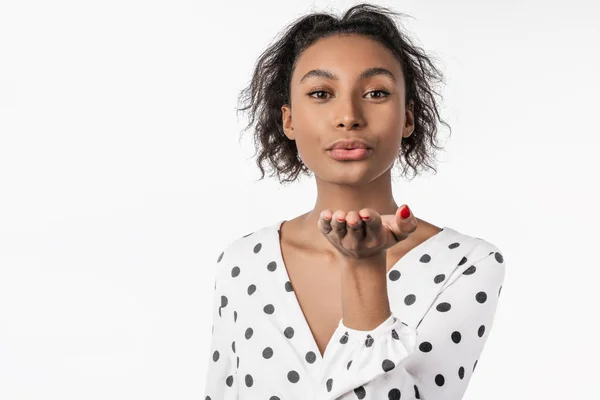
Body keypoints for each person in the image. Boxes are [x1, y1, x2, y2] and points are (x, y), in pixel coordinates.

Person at [203, 3, 506, 399]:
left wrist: (364, 267)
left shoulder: (466, 264)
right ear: (289, 120)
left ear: (408, 117)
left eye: (376, 92)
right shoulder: (242, 262)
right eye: (321, 93)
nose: (348, 116)